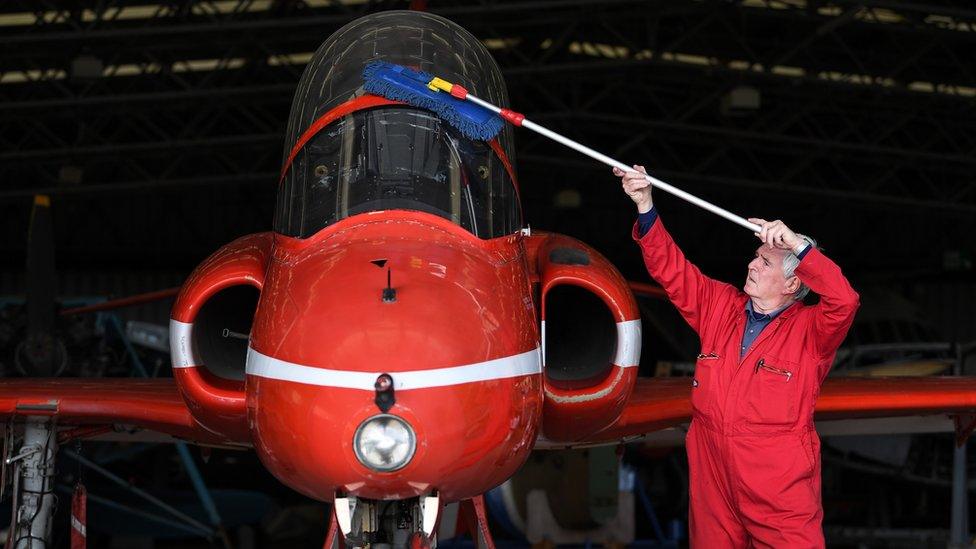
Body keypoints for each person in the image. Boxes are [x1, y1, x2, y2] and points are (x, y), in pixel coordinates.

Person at [614, 165, 859, 548]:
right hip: (712, 474)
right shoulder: (721, 307)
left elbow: (845, 300)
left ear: (794, 282)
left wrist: (798, 247)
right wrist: (645, 205)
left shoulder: (812, 332)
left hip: (778, 486)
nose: (751, 264)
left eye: (765, 262)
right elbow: (671, 270)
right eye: (755, 256)